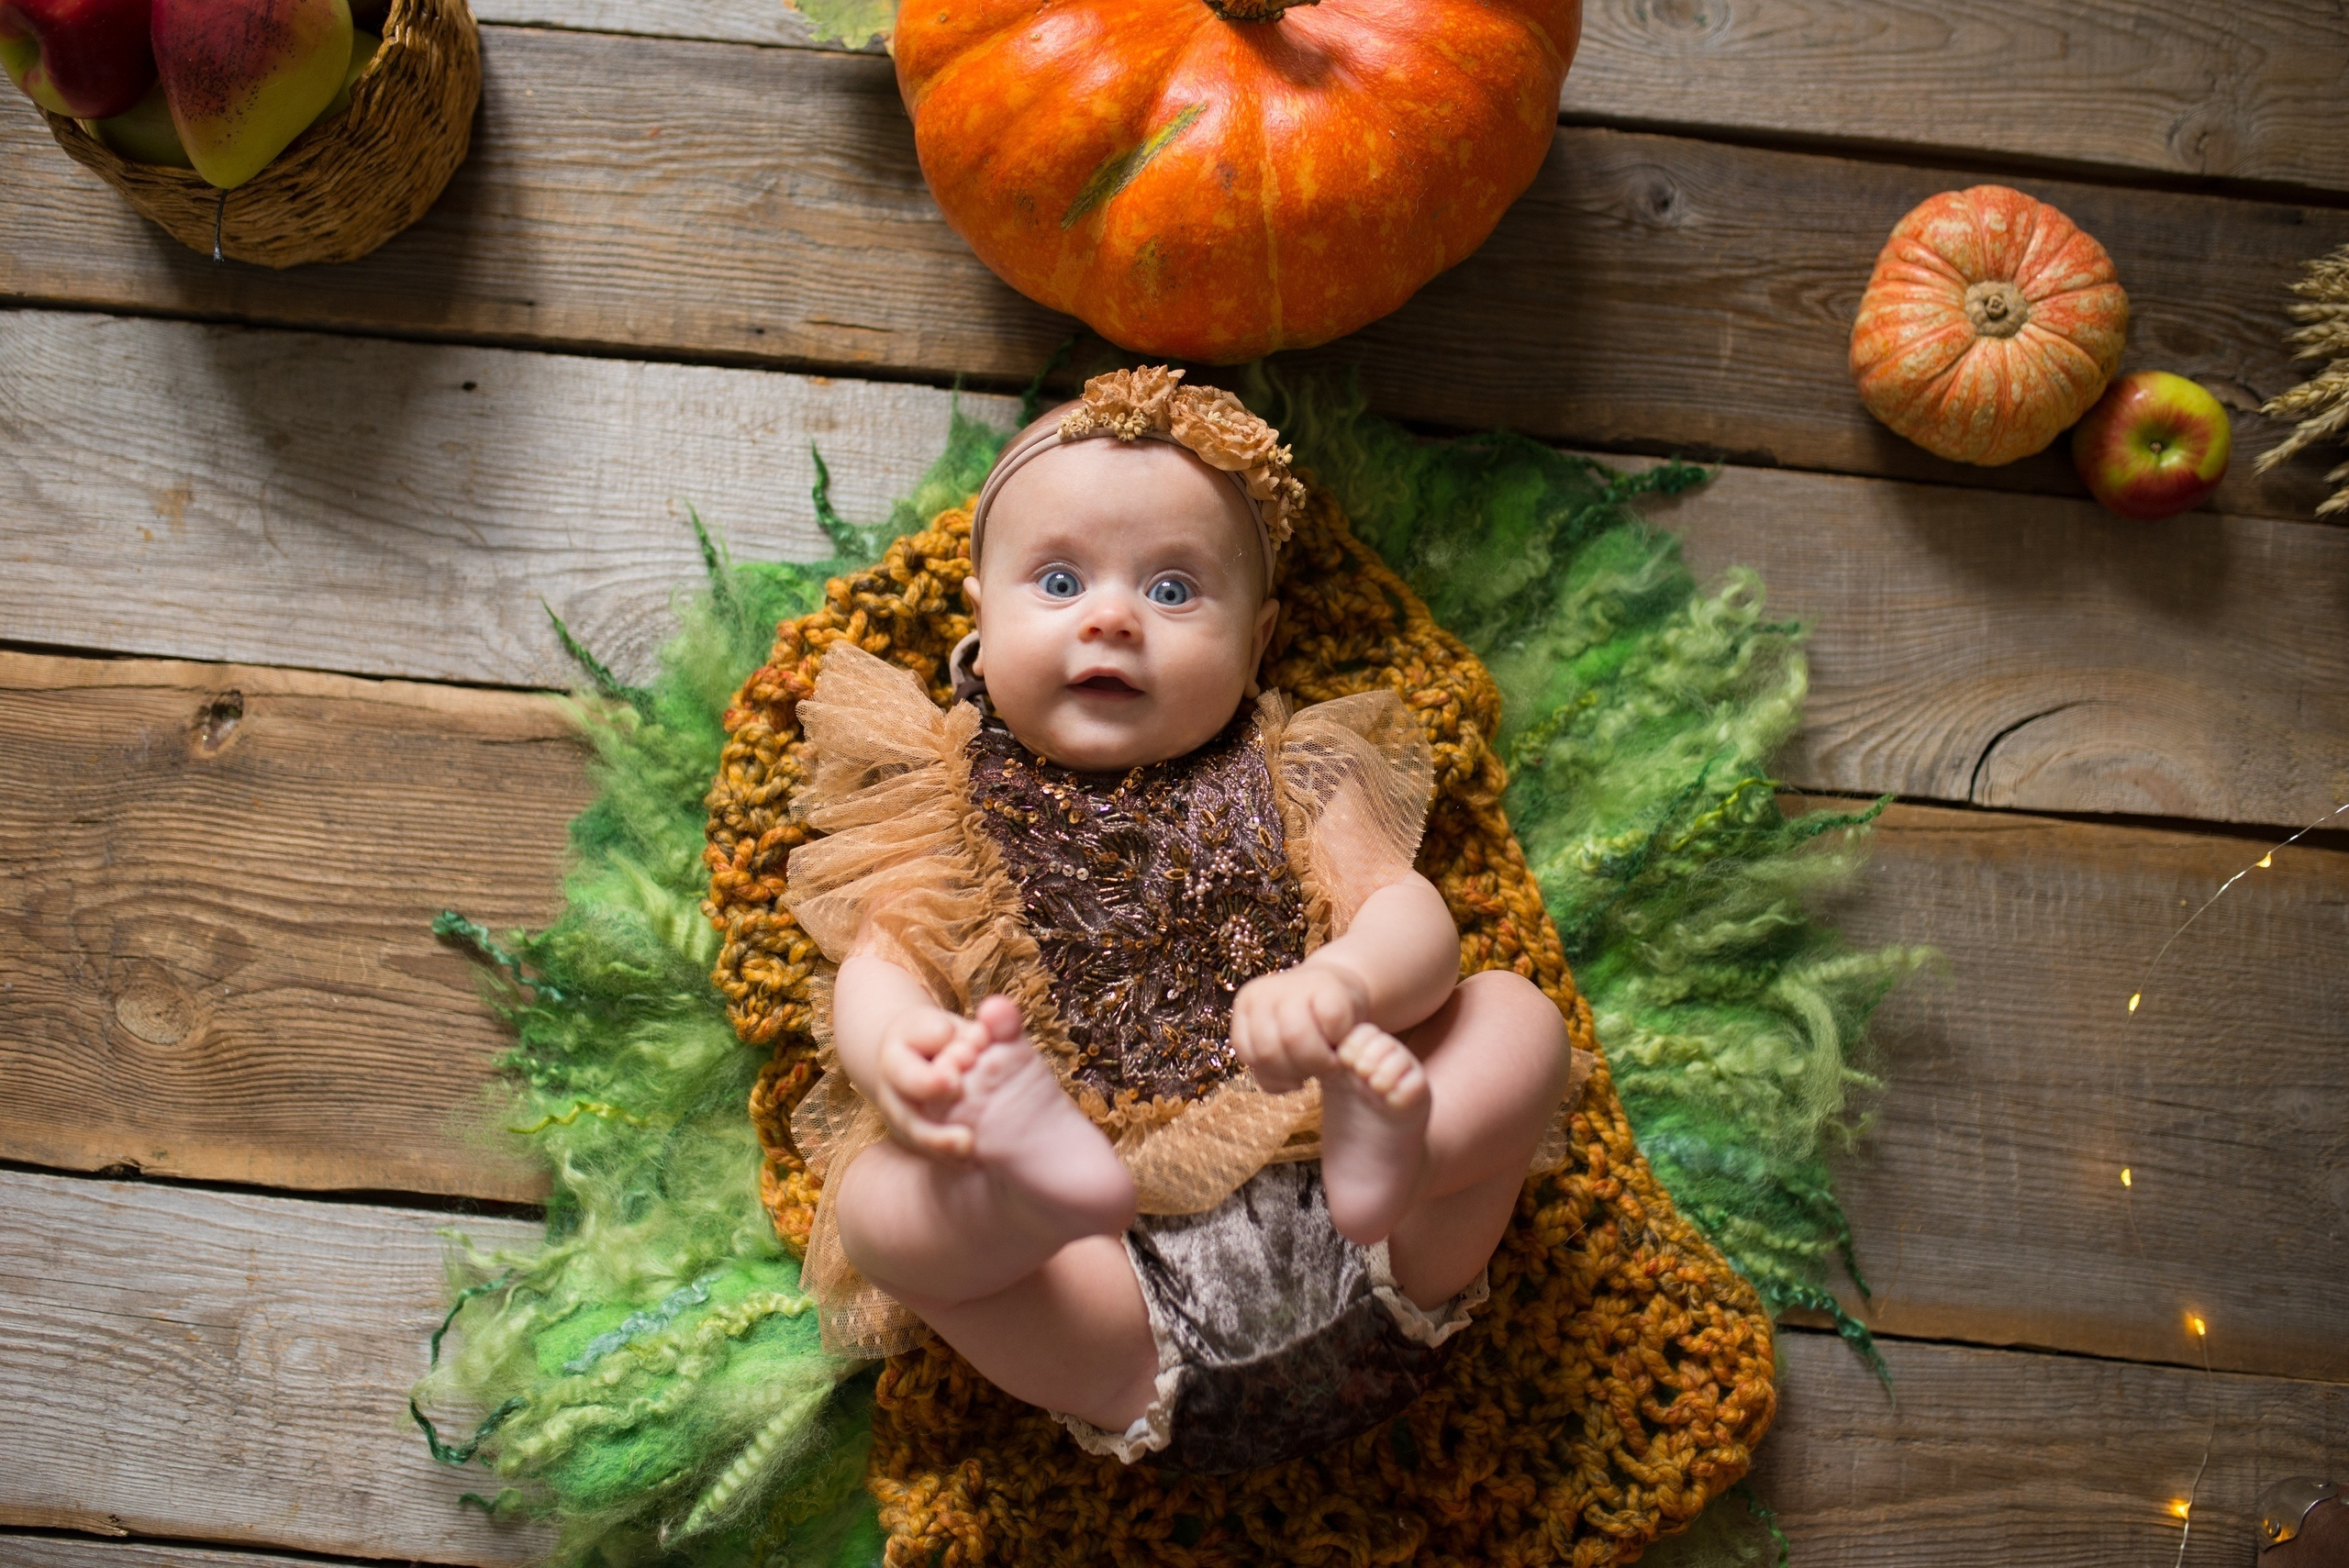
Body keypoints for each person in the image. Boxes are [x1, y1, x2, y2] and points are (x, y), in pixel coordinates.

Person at [781, 367, 1587, 1474]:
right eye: (1058, 580)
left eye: (1171, 590)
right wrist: (902, 1055)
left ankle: (1406, 1151)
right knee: (881, 1209)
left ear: (1256, 644)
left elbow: (1412, 922)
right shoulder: (932, 801)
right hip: (1112, 1299)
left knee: (1513, 1016)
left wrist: (1346, 983)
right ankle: (1028, 1197)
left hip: (1383, 1230)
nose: (1111, 616)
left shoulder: (1296, 769)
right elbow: (881, 963)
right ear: (979, 620)